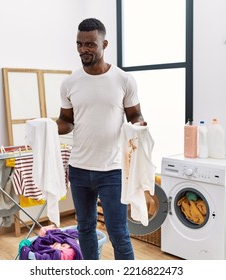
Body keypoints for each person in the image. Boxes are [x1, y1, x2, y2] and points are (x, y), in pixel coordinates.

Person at [56, 18, 147, 260]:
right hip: (79, 169)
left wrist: (138, 125)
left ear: (104, 44)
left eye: (90, 44)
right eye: (79, 44)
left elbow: (134, 114)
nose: (83, 49)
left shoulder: (123, 80)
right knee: (84, 228)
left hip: (112, 170)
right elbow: (66, 121)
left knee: (118, 233)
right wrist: (48, 127)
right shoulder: (70, 83)